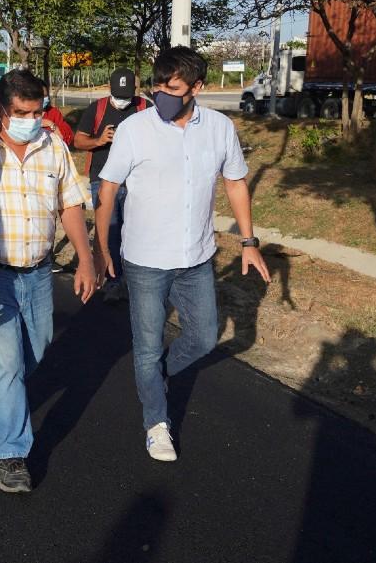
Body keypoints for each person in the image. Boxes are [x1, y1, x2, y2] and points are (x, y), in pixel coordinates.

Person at [94, 46, 270, 463]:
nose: (162, 96)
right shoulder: (135, 129)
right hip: (145, 260)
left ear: (197, 88)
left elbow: (235, 183)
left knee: (204, 338)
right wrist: (100, 249)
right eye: (158, 87)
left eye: (172, 89)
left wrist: (249, 242)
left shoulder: (220, 128)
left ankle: (153, 379)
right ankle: (156, 423)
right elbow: (108, 190)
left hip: (196, 258)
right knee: (147, 347)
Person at [0, 68, 96, 493]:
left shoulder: (53, 145)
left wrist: (85, 259)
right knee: (6, 367)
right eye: (21, 113)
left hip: (40, 273)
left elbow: (70, 203)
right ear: (0, 110)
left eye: (37, 111)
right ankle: (12, 453)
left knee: (36, 352)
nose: (31, 120)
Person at [72, 68, 146, 298]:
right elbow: (78, 141)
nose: (122, 101)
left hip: (135, 181)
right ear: (109, 89)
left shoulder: (145, 107)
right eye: (118, 96)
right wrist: (99, 140)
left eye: (127, 96)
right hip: (102, 179)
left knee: (135, 233)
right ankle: (112, 280)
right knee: (109, 233)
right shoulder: (97, 108)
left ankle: (133, 281)